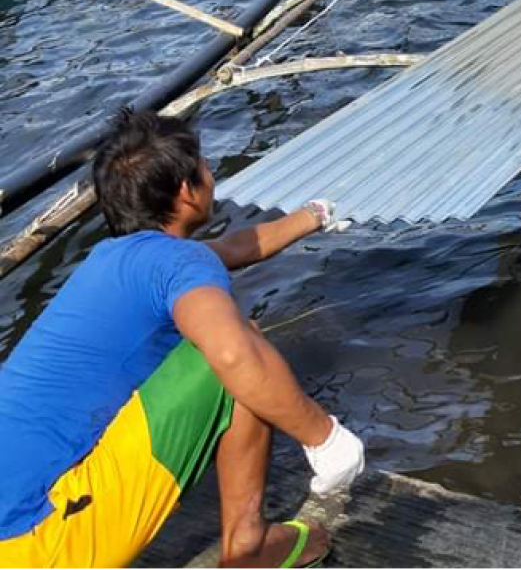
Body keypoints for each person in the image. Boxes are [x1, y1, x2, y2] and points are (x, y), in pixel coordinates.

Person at [0, 109, 363, 569]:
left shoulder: (111, 259)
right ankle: (246, 550)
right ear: (187, 192)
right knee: (233, 352)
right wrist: (325, 438)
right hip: (37, 543)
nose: (211, 173)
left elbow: (233, 249)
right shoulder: (178, 265)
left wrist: (314, 215)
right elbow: (232, 353)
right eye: (205, 165)